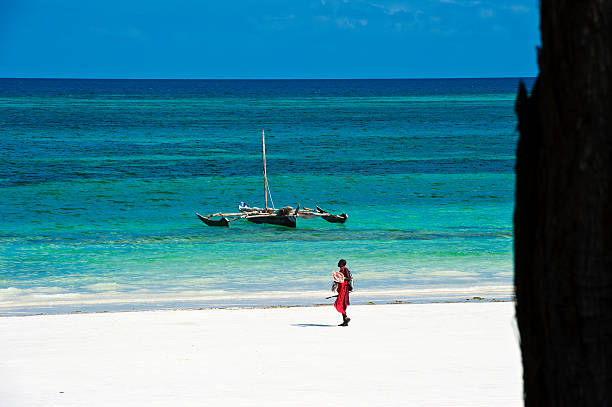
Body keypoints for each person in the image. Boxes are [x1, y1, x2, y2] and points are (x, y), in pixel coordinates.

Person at [333, 259, 352, 326]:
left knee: (339, 303)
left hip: (344, 289)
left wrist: (342, 278)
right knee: (341, 304)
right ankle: (345, 321)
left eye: (339, 262)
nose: (338, 263)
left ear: (342, 264)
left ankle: (346, 318)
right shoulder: (340, 270)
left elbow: (349, 278)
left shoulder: (345, 269)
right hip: (341, 288)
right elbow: (339, 280)